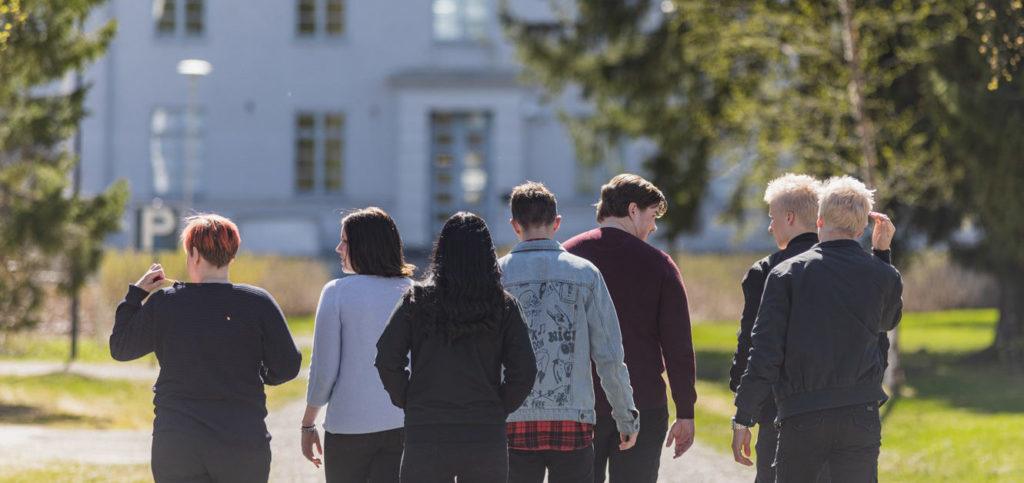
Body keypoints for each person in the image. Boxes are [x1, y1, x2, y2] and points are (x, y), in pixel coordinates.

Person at [732, 176, 903, 482]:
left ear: (820, 220)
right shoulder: (882, 273)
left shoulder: (786, 274)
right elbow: (886, 324)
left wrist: (744, 416)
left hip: (802, 415)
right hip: (859, 415)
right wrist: (882, 254)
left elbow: (765, 352)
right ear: (862, 229)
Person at [110, 213, 302, 483]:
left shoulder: (166, 303)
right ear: (231, 256)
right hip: (242, 442)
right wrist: (260, 374)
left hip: (177, 442)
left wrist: (136, 295)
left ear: (195, 254)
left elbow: (120, 347)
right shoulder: (257, 302)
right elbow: (288, 365)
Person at [375, 212, 538, 483]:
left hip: (426, 430)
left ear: (441, 252)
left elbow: (386, 358)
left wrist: (408, 398)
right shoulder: (504, 306)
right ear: (488, 254)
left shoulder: (416, 301)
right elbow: (525, 370)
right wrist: (500, 405)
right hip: (484, 431)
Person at [499, 182, 640, 483]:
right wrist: (624, 415)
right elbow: (609, 355)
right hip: (571, 420)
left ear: (514, 225)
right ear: (557, 222)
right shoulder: (585, 274)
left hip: (513, 419)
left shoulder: (497, 275)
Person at [563, 174, 697, 483]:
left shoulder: (567, 257)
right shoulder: (659, 264)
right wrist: (685, 411)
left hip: (579, 403)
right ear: (633, 210)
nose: (654, 227)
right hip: (643, 403)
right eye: (652, 217)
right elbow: (678, 346)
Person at [300, 207, 415, 482]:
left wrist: (307, 424)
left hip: (349, 428)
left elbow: (324, 371)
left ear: (365, 245)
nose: (338, 248)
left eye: (345, 241)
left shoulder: (336, 293)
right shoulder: (416, 291)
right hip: (405, 425)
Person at [727, 174, 822, 482]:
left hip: (778, 411)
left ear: (790, 218)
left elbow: (752, 345)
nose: (770, 227)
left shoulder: (766, 272)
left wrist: (742, 402)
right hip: (835, 409)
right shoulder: (844, 266)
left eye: (772, 218)